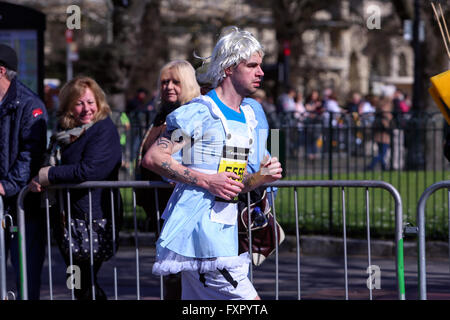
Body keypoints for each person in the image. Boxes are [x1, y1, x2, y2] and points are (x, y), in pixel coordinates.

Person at [143, 26, 282, 300]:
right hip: (202, 233)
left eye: (260, 65)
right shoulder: (200, 112)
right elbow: (155, 157)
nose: (261, 72)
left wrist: (260, 178)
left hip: (228, 229)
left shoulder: (250, 115)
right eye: (252, 65)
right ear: (229, 68)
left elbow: (230, 184)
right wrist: (206, 180)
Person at [28, 76, 123, 300]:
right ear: (69, 105)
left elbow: (90, 170)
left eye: (91, 102)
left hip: (94, 218)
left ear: (99, 102)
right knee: (77, 282)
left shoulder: (103, 129)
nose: (86, 109)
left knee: (84, 280)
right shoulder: (65, 130)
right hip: (67, 217)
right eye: (79, 103)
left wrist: (48, 175)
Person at [135, 59, 201, 299]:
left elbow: (189, 159)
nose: (169, 87)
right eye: (164, 82)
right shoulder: (162, 115)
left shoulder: (190, 115)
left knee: (184, 277)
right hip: (160, 207)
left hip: (182, 208)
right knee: (172, 277)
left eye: (176, 82)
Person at [0, 44, 48, 300]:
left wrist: (6, 186)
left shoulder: (30, 105)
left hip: (22, 207)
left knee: (25, 279)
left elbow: (31, 154)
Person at [367, 98, 393, 171]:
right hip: (384, 137)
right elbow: (387, 127)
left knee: (381, 153)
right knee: (382, 154)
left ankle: (384, 167)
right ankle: (371, 166)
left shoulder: (378, 114)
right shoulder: (385, 115)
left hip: (379, 136)